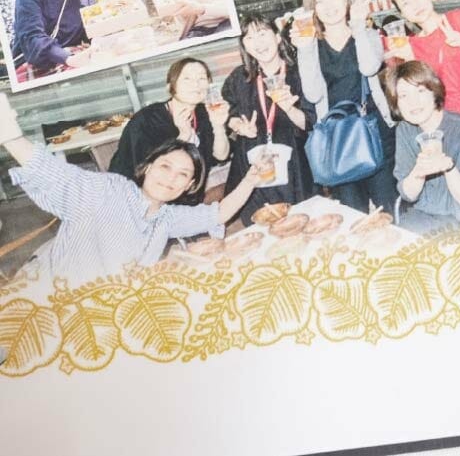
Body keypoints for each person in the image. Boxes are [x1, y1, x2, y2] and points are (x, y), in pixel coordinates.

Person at [1, 93, 265, 286]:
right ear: (147, 168)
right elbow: (55, 174)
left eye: (183, 174)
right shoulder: (111, 191)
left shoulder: (166, 218)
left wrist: (251, 179)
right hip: (49, 301)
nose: (170, 178)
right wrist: (12, 137)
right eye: (165, 166)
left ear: (189, 186)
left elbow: (218, 214)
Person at [293, 0, 397, 213]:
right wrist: (305, 49)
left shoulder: (368, 33)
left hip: (375, 131)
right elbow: (313, 94)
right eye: (319, 1)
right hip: (337, 140)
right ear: (312, 10)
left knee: (390, 209)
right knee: (354, 215)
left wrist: (358, 26)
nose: (329, 6)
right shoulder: (310, 45)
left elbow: (369, 67)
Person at [222, 16, 315, 226]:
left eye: (262, 34)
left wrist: (289, 109)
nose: (258, 43)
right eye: (249, 38)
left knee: (300, 223)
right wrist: (238, 126)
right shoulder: (239, 78)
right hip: (254, 167)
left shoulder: (300, 72)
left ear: (277, 37)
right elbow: (228, 115)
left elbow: (309, 123)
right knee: (260, 227)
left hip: (296, 167)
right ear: (244, 46)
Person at [387, 60, 460, 233]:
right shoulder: (405, 130)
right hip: (423, 216)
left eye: (420, 91)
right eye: (403, 96)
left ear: (434, 92)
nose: (413, 102)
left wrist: (448, 168)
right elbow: (408, 195)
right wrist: (418, 173)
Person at [109, 58, 232, 191]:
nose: (196, 84)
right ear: (170, 87)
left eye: (202, 78)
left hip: (188, 192)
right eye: (187, 78)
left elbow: (221, 156)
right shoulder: (146, 119)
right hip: (138, 194)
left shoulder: (204, 113)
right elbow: (147, 173)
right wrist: (183, 136)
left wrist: (218, 126)